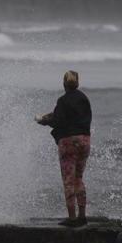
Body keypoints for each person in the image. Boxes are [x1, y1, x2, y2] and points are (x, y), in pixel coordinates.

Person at [36, 70, 92, 227]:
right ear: (78, 83)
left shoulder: (62, 101)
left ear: (63, 84)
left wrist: (44, 121)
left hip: (68, 143)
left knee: (68, 180)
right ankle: (82, 216)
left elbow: (58, 121)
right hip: (85, 140)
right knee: (78, 178)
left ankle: (72, 219)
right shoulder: (84, 99)